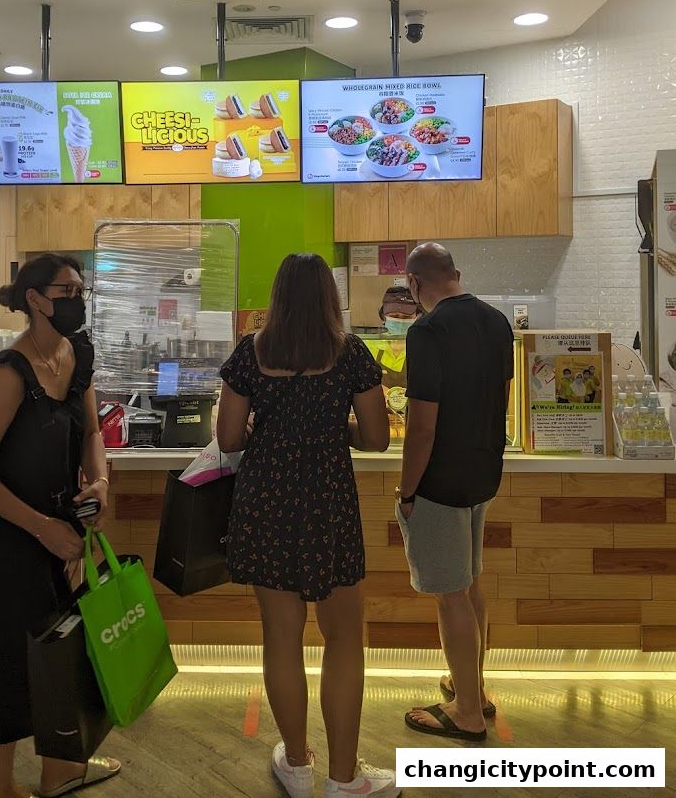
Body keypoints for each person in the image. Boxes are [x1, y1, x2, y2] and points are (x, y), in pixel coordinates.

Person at [217, 253, 399, 798]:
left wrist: (272, 430)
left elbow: (228, 438)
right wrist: (333, 428)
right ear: (329, 297)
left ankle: (296, 765)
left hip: (266, 500)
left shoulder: (250, 352)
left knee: (281, 636)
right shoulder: (351, 354)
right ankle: (344, 778)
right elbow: (376, 438)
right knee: (343, 638)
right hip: (328, 502)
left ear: (277, 296)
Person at [0, 254, 120, 798]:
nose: (77, 300)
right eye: (66, 290)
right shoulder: (9, 374)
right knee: (6, 656)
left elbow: (90, 432)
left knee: (59, 653)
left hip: (61, 532)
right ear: (34, 299)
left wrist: (100, 482)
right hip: (7, 535)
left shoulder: (77, 354)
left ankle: (59, 770)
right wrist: (42, 527)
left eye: (80, 290)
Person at [394, 243, 513, 744]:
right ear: (456, 274)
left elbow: (422, 426)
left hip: (440, 480)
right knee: (469, 584)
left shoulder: (428, 330)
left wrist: (407, 489)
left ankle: (465, 713)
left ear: (414, 284)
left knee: (450, 595)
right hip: (483, 472)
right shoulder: (497, 321)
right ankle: (473, 688)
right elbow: (501, 399)